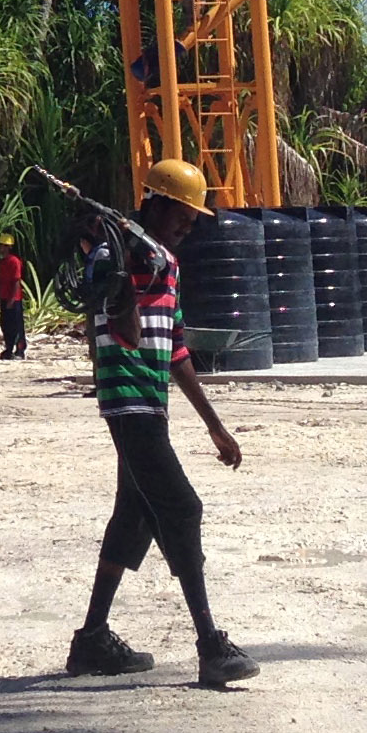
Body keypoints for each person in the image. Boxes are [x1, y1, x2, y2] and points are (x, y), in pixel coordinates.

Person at [60, 160, 257, 687]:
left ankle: (92, 639)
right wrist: (111, 252)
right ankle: (210, 644)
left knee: (136, 515)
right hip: (127, 404)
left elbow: (175, 349)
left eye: (194, 222)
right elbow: (118, 321)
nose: (187, 227)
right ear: (156, 202)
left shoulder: (162, 261)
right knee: (181, 507)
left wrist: (214, 425)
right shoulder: (124, 253)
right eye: (182, 216)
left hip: (151, 404)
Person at [0, 236, 30, 360]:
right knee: (5, 324)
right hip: (4, 297)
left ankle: (20, 350)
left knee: (16, 325)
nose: (0, 248)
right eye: (0, 245)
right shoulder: (2, 262)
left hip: (14, 299)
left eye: (3, 245)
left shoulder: (14, 261)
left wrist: (12, 299)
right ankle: (9, 348)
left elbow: (17, 281)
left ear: (9, 247)